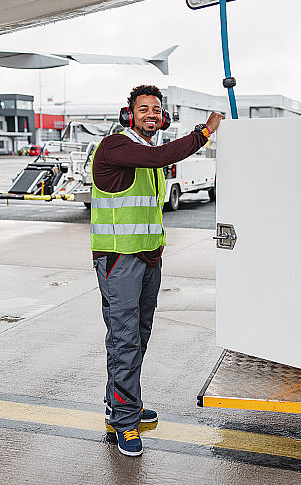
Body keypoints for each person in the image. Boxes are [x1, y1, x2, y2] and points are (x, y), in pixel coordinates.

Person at [91, 84, 223, 456]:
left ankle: (119, 404)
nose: (151, 114)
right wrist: (206, 131)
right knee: (125, 339)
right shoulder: (117, 145)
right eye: (143, 108)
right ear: (128, 113)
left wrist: (157, 250)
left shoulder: (146, 153)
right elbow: (167, 153)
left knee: (137, 335)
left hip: (148, 258)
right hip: (119, 259)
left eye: (156, 109)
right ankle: (125, 422)